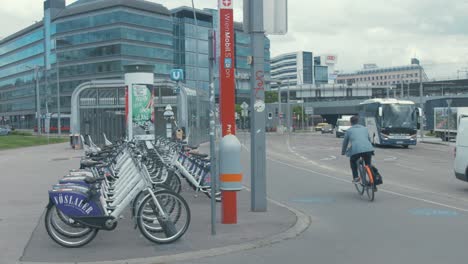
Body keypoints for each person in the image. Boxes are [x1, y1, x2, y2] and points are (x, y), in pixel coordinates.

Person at [341, 115, 375, 185]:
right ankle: (372, 179)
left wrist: (343, 152)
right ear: (358, 121)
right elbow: (368, 139)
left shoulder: (349, 131)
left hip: (356, 150)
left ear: (351, 122)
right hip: (368, 149)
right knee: (368, 164)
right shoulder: (365, 128)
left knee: (352, 161)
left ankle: (356, 178)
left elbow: (345, 143)